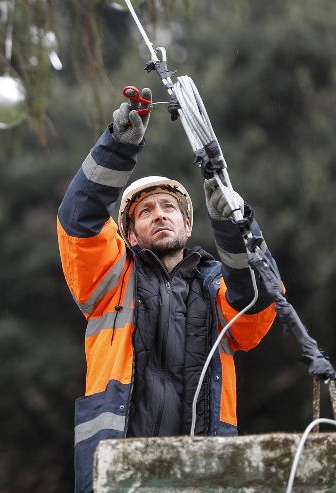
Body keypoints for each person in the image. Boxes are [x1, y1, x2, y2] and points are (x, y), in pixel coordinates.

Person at [56, 87, 280, 493]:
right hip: (117, 474)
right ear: (130, 234)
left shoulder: (219, 289)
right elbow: (78, 218)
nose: (159, 214)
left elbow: (262, 298)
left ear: (187, 224)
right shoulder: (110, 278)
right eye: (146, 211)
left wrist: (232, 224)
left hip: (200, 475)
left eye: (168, 207)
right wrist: (118, 144)